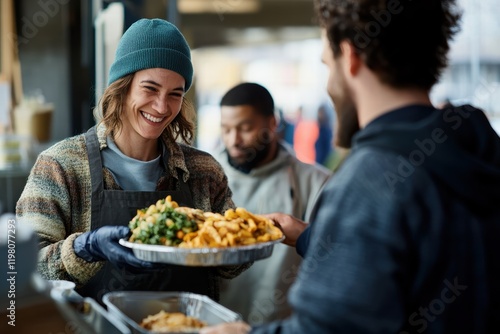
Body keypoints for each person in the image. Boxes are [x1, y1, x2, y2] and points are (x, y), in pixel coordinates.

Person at [201, 0, 500, 333]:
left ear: (351, 57)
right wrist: (308, 236)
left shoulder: (369, 180)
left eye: (328, 65)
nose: (329, 84)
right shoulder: (477, 149)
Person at [16, 18, 246, 303]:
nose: (162, 107)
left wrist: (251, 236)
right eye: (150, 89)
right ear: (122, 87)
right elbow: (22, 272)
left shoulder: (204, 172)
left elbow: (232, 265)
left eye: (175, 94)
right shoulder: (60, 166)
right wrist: (86, 248)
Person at [214, 82, 331, 324]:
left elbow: (335, 262)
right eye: (226, 130)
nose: (234, 140)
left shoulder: (316, 184)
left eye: (245, 128)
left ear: (273, 124)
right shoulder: (205, 178)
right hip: (213, 325)